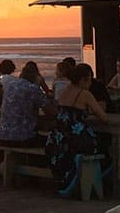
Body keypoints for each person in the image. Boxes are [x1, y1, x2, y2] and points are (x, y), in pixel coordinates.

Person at [43, 62, 109, 196]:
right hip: (75, 138)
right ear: (83, 79)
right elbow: (104, 118)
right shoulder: (85, 94)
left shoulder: (66, 89)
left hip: (57, 137)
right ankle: (102, 182)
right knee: (106, 147)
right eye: (90, 79)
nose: (91, 82)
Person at [0, 64, 50, 147]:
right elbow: (50, 111)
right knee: (49, 141)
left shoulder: (10, 85)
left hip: (3, 137)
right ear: (36, 77)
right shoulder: (32, 88)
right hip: (23, 138)